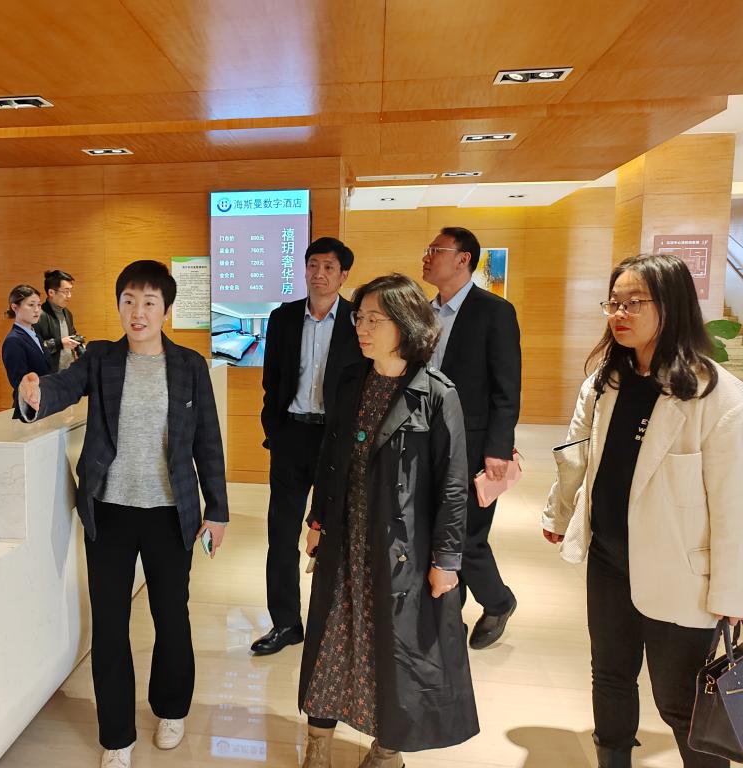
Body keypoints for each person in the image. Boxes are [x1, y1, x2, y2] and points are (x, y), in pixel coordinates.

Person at [17, 260, 229, 768]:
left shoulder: (189, 365)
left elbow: (207, 440)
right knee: (110, 625)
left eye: (149, 303)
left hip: (170, 513)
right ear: (118, 306)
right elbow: (64, 387)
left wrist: (217, 510)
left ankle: (171, 708)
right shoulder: (101, 358)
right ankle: (116, 736)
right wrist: (35, 393)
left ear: (166, 310)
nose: (138, 312)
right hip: (108, 511)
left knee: (171, 617)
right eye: (129, 301)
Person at [542, 253, 743, 768]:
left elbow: (733, 504)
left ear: (670, 306)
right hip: (610, 560)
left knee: (681, 700)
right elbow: (577, 456)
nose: (619, 313)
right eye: (614, 302)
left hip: (682, 574)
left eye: (634, 302)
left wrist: (733, 593)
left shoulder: (717, 397)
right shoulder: (604, 381)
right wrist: (559, 516)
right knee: (610, 676)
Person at [299, 274, 478, 768]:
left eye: (374, 320)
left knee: (393, 649)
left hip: (403, 550)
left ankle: (387, 749)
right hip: (345, 537)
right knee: (332, 639)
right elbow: (329, 457)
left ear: (406, 324)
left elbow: (453, 485)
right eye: (360, 318)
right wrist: (317, 519)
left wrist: (446, 559)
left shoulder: (435, 394)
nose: (362, 328)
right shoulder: (350, 381)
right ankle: (318, 743)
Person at [252, 236, 363, 656]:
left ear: (344, 274)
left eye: (329, 267)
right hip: (292, 436)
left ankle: (332, 622)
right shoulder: (282, 317)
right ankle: (285, 623)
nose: (320, 273)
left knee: (335, 531)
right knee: (281, 532)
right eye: (313, 265)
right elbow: (272, 381)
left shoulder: (357, 319)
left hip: (337, 440)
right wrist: (274, 429)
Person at [421, 226, 521, 649]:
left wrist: (498, 448)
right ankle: (450, 616)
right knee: (435, 532)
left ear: (463, 259)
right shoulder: (424, 312)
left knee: (467, 536)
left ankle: (498, 601)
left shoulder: (494, 311)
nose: (426, 257)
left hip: (475, 443)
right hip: (426, 439)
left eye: (436, 250)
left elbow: (506, 387)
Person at [1, 284, 51, 419]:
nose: (37, 310)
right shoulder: (13, 340)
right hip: (28, 408)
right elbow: (19, 381)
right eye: (31, 305)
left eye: (39, 305)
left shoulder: (36, 335)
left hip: (44, 405)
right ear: (14, 307)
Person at [34, 269, 80, 372]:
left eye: (70, 291)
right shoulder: (38, 316)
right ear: (51, 292)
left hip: (68, 372)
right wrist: (59, 343)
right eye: (66, 291)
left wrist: (79, 344)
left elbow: (72, 335)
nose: (69, 296)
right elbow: (34, 348)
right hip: (49, 375)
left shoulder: (67, 313)